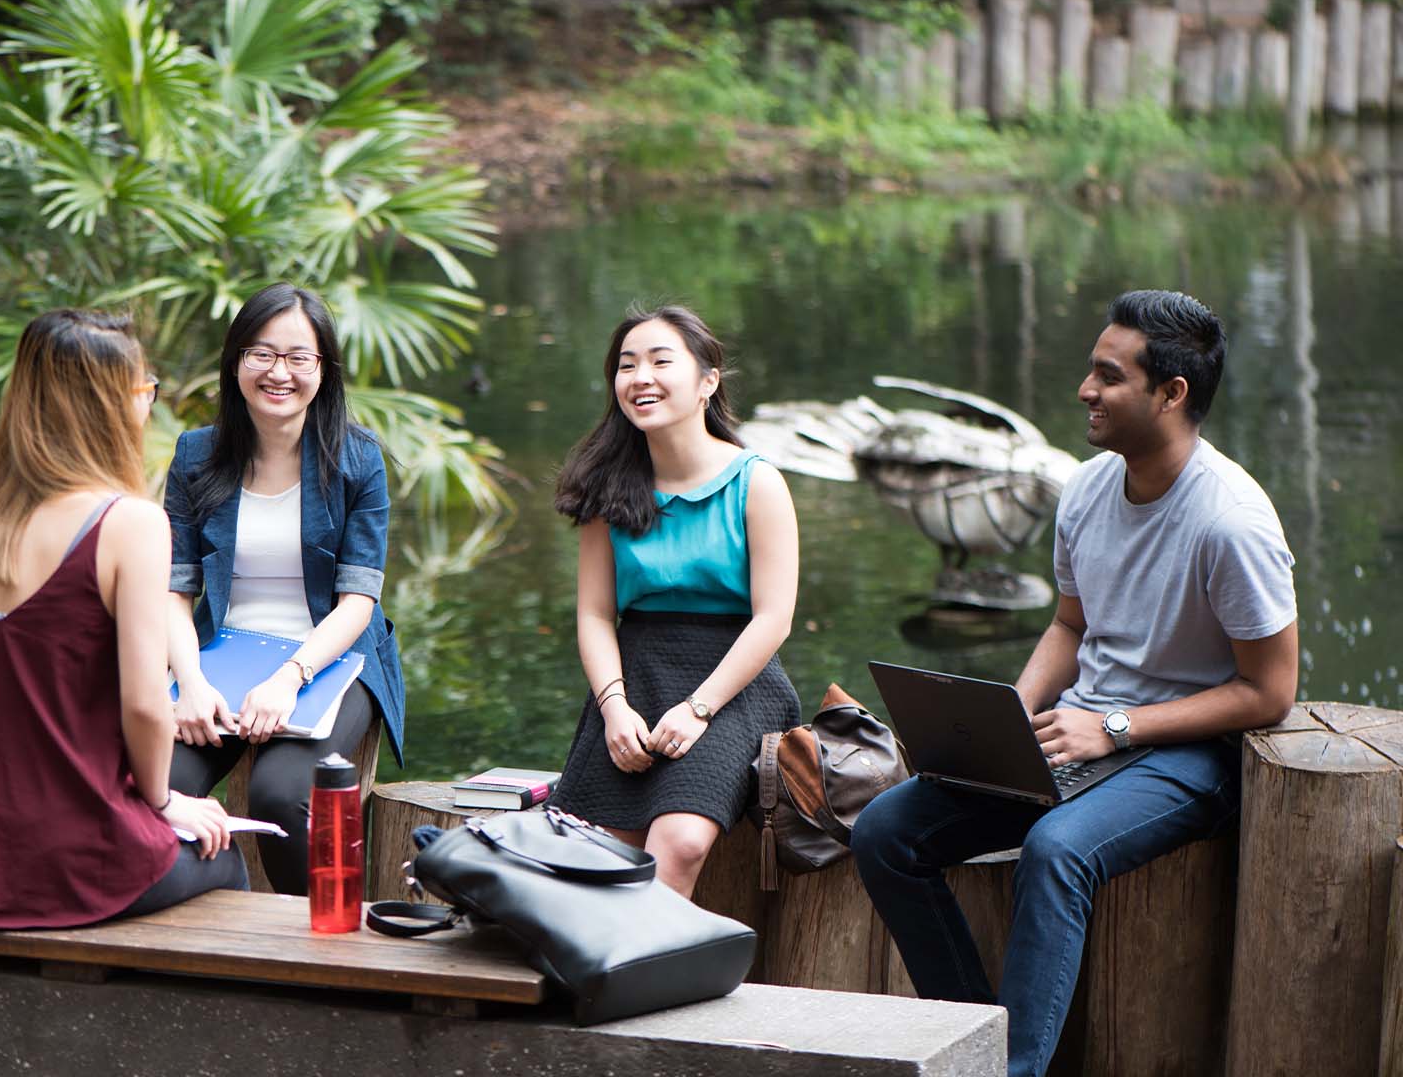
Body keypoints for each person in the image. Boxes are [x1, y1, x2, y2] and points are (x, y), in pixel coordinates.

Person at [852, 290, 1299, 1077]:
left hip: (1190, 754)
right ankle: (978, 1050)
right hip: (1077, 733)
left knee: (1055, 851)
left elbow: (1270, 694)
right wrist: (1007, 719)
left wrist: (1119, 726)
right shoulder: (1088, 488)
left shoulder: (1233, 522)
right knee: (887, 832)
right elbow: (1069, 626)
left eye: (1108, 376)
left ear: (1171, 394)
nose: (1085, 391)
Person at [0, 309, 246, 930]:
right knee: (223, 859)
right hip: (79, 858)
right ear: (110, 405)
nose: (148, 404)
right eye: (143, 389)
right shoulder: (129, 523)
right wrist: (161, 803)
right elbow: (148, 706)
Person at [545, 305, 800, 898]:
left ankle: (648, 986)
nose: (641, 378)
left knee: (680, 841)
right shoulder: (606, 486)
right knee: (597, 851)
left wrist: (699, 708)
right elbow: (593, 614)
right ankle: (600, 982)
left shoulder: (755, 481)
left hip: (734, 681)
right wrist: (613, 708)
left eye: (661, 361)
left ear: (708, 380)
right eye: (627, 365)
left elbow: (774, 617)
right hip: (634, 676)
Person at [163, 282, 405, 896]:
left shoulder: (357, 459)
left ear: (323, 369)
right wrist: (189, 683)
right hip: (218, 659)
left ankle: (325, 947)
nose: (280, 373)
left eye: (300, 357)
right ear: (236, 360)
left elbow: (358, 601)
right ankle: (198, 928)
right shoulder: (195, 455)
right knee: (155, 783)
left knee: (280, 793)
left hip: (330, 658)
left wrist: (289, 677)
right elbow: (175, 591)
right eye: (262, 354)